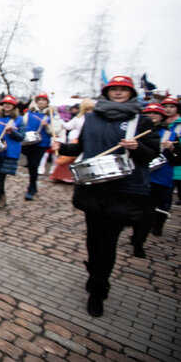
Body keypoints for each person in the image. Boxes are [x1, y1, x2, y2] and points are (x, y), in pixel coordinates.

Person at [52, 75, 159, 317]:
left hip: (122, 191)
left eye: (123, 89)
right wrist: (63, 147)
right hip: (93, 187)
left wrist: (137, 147)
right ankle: (94, 272)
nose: (119, 93)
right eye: (114, 89)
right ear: (107, 92)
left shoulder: (140, 121)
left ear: (131, 93)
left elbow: (151, 154)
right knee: (93, 238)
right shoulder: (92, 118)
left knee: (108, 242)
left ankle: (99, 290)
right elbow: (80, 148)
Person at [131, 104, 179, 246]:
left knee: (148, 211)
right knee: (136, 209)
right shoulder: (134, 131)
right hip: (139, 175)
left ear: (162, 116)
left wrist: (171, 149)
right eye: (148, 112)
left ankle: (140, 240)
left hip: (159, 178)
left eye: (155, 113)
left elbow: (177, 160)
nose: (152, 115)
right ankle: (136, 234)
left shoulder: (169, 134)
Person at [21, 93, 57, 200]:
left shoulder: (51, 114)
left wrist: (47, 126)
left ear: (47, 102)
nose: (41, 102)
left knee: (34, 164)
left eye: (43, 100)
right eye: (39, 100)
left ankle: (31, 188)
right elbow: (23, 124)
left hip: (42, 143)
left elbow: (55, 131)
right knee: (31, 164)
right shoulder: (30, 112)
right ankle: (33, 186)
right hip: (28, 141)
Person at [50, 98, 95, 183]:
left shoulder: (95, 119)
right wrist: (58, 119)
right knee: (69, 159)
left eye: (91, 109)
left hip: (90, 143)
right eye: (87, 109)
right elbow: (67, 126)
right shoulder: (79, 118)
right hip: (77, 141)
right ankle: (66, 177)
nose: (89, 111)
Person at [162, 96, 181, 205]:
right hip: (163, 162)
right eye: (165, 106)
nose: (168, 109)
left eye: (171, 106)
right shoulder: (159, 122)